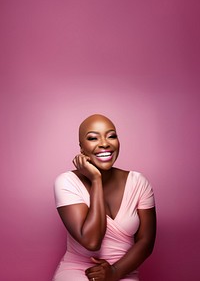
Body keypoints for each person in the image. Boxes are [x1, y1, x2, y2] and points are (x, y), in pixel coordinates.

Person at [53, 114, 156, 281]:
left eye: (111, 136)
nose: (104, 143)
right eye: (93, 138)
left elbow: (146, 242)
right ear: (81, 148)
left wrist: (115, 272)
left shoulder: (139, 182)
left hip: (124, 271)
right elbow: (92, 242)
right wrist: (96, 180)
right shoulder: (66, 182)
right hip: (78, 271)